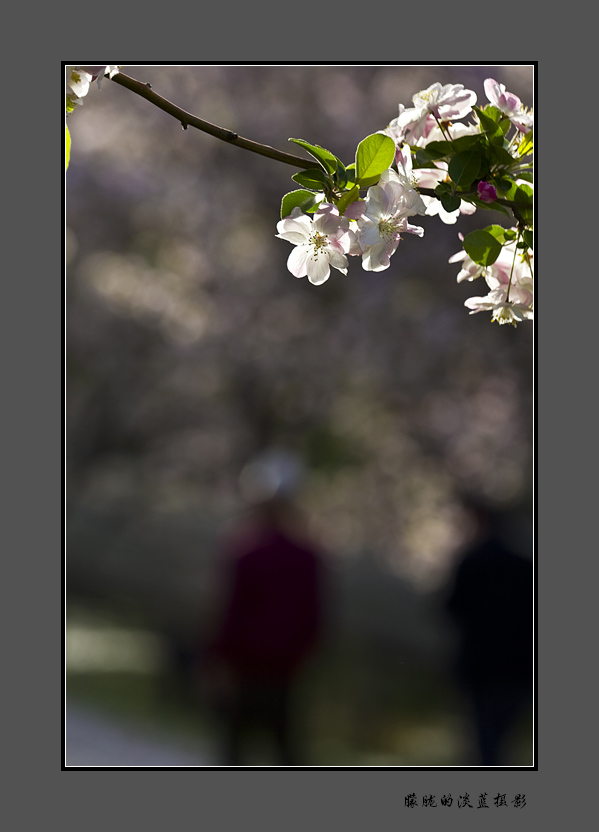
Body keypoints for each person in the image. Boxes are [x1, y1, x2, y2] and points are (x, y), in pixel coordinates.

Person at [204, 451, 325, 767]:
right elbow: (314, 619)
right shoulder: (307, 556)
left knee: (234, 750)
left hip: (247, 668)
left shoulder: (245, 549)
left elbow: (228, 611)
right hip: (283, 671)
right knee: (285, 751)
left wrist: (219, 658)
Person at [444, 499, 533, 766]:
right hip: (514, 667)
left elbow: (452, 608)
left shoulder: (471, 563)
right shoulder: (523, 567)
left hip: (480, 665)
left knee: (485, 735)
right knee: (499, 734)